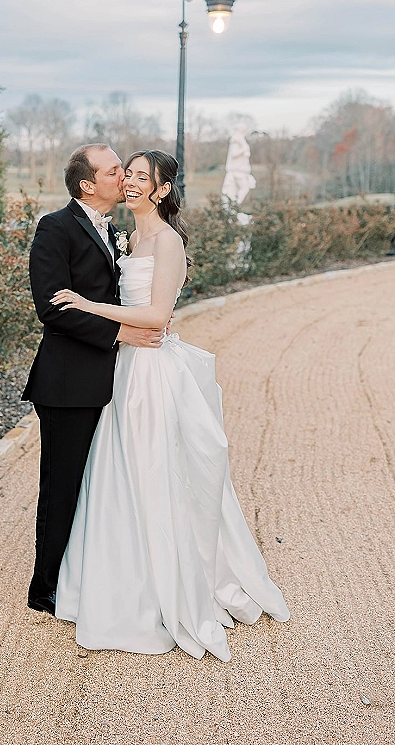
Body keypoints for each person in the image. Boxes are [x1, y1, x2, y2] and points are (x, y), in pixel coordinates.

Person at [52, 150, 290, 661]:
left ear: (161, 190)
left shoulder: (167, 241)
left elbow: (158, 315)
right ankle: (119, 579)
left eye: (142, 177)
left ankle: (170, 584)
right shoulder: (130, 237)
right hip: (124, 368)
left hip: (152, 372)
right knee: (120, 472)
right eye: (127, 174)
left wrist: (87, 303)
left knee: (155, 468)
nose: (132, 183)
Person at [22, 144, 166, 616]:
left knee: (103, 483)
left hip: (115, 378)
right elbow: (53, 307)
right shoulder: (55, 228)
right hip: (67, 383)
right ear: (88, 184)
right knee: (62, 485)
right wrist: (121, 331)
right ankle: (44, 588)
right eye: (113, 170)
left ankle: (88, 573)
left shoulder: (118, 231)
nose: (124, 176)